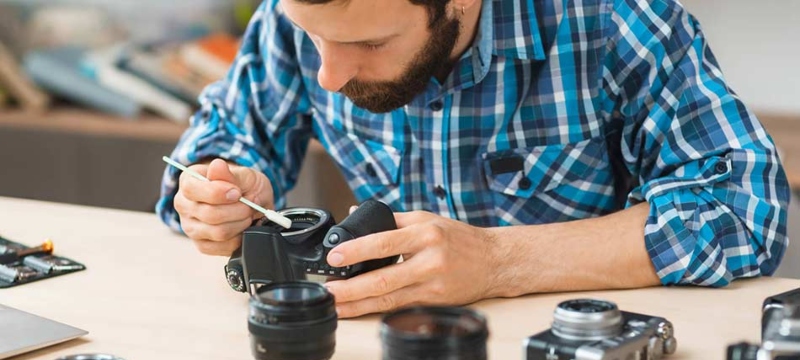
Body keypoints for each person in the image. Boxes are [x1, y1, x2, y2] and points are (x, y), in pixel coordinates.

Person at [157, 0, 789, 318]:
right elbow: (220, 144)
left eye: (370, 43)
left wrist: (499, 261)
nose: (328, 74)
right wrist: (216, 194)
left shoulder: (616, 21)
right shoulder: (298, 17)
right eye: (311, 37)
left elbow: (743, 209)